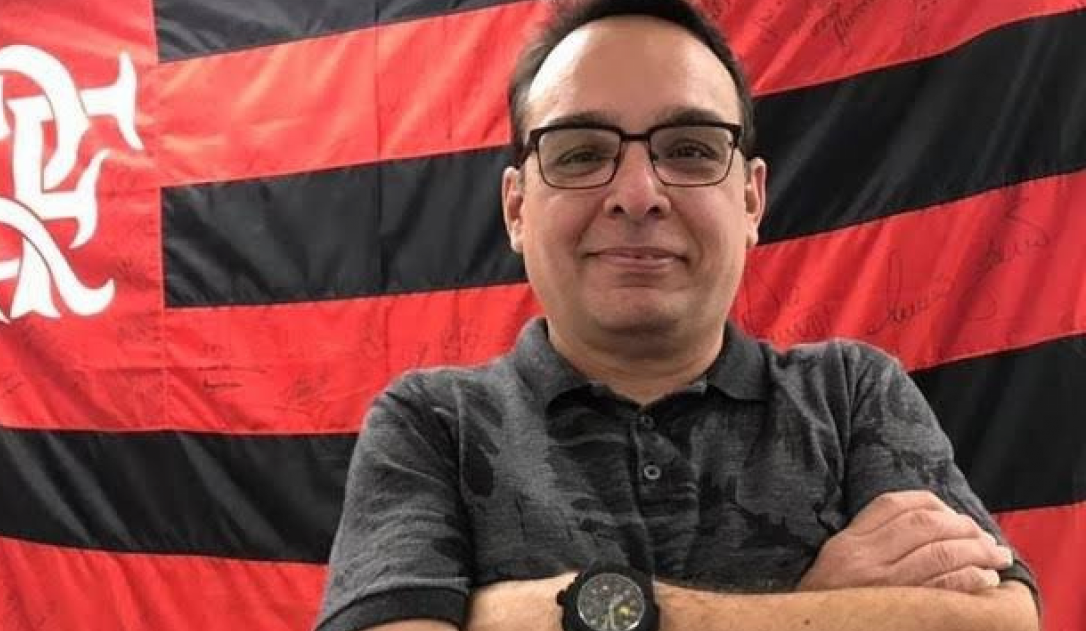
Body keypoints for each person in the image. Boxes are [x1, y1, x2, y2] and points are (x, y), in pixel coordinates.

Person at [313, 0, 1040, 629]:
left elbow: (1002, 619)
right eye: (579, 154)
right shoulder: (432, 424)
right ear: (516, 208)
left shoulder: (852, 395)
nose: (638, 194)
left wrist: (566, 610)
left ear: (751, 200)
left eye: (690, 150)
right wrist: (819, 602)